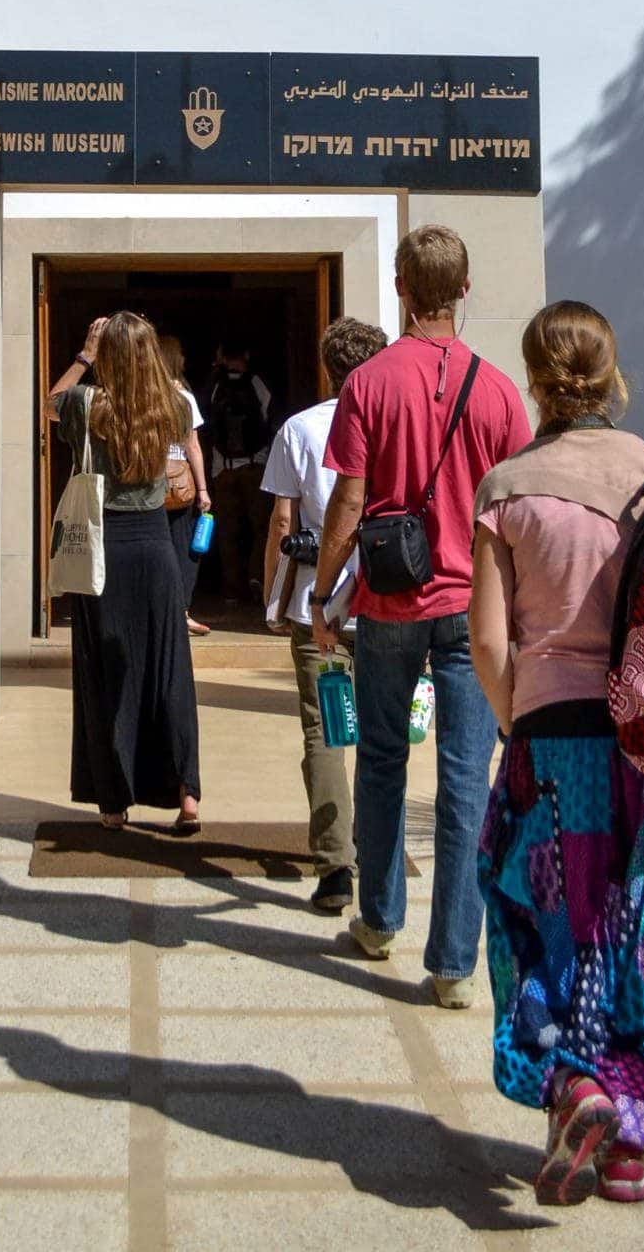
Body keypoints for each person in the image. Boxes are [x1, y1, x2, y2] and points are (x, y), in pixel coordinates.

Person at [470, 301, 644, 1208]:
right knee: (643, 930)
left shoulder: (506, 487)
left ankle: (571, 1085)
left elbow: (490, 646)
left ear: (533, 379)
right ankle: (627, 1152)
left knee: (541, 918)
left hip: (552, 742)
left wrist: (514, 721)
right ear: (613, 375)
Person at [311, 224, 528, 1003]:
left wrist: (320, 592)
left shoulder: (368, 383)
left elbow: (348, 498)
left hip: (390, 598)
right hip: (475, 606)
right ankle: (452, 967)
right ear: (463, 291)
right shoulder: (500, 392)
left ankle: (376, 920)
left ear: (399, 287)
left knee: (378, 757)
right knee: (468, 779)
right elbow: (515, 509)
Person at [48, 312, 202, 831]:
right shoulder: (175, 406)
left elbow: (48, 404)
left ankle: (114, 801)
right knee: (169, 670)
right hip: (157, 546)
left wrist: (85, 355)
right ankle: (187, 795)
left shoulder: (89, 405)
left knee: (106, 671)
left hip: (104, 544)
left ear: (109, 353)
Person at [261, 314, 388, 914]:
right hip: (388, 596)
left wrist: (272, 597)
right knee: (383, 733)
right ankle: (375, 849)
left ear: (328, 368)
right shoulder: (398, 421)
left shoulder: (300, 428)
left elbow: (284, 522)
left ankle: (335, 866)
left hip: (320, 601)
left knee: (326, 730)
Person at [204, 343, 273, 602]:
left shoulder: (215, 386)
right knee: (261, 528)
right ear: (246, 355)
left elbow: (206, 424)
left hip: (223, 469)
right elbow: (267, 419)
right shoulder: (257, 383)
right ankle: (257, 577)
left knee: (227, 532)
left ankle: (231, 589)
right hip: (255, 466)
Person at [157, 334, 213, 638]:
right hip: (178, 485)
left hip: (143, 482)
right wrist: (203, 491)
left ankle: (155, 611)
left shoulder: (141, 395)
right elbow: (193, 446)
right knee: (184, 549)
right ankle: (181, 611)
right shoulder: (182, 398)